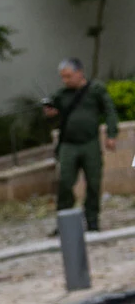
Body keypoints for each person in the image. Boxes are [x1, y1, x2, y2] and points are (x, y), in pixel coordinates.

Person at [45, 57, 119, 233]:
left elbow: (109, 111)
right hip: (68, 145)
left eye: (69, 76)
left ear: (80, 73)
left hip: (90, 143)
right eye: (63, 77)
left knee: (94, 182)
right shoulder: (61, 95)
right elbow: (52, 114)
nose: (66, 80)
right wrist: (50, 112)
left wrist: (111, 134)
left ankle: (92, 219)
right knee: (65, 182)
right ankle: (65, 221)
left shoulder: (96, 90)